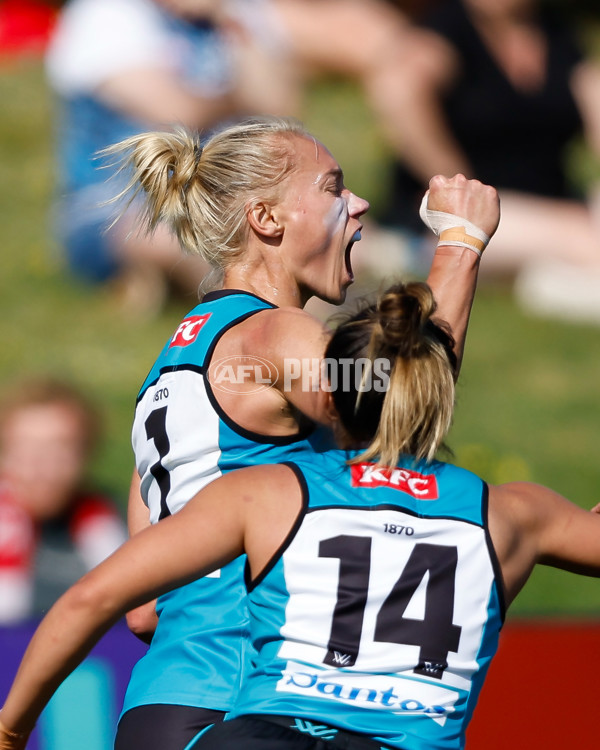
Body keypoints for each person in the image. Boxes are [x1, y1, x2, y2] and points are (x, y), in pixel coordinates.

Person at [2, 280, 600, 750]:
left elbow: (92, 600)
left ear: (332, 396)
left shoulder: (270, 493)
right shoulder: (511, 514)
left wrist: (9, 732)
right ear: (444, 395)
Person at [97, 115, 499, 750]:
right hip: (245, 706)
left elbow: (143, 608)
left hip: (156, 708)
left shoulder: (169, 372)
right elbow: (402, 401)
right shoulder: (273, 335)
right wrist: (460, 243)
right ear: (268, 220)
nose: (359, 202)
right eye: (334, 188)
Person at [44, 0, 294, 310]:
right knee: (187, 237)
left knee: (298, 225)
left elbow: (283, 112)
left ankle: (152, 283)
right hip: (114, 209)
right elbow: (179, 114)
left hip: (221, 197)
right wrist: (243, 100)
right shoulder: (106, 15)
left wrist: (231, 23)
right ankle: (270, 322)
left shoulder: (235, 14)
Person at [375, 0, 600, 323]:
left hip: (550, 202)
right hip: (471, 214)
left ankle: (553, 283)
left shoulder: (556, 34)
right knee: (583, 236)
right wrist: (459, 187)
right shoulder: (448, 33)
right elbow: (398, 90)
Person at [0, 377, 126, 624]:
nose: (41, 467)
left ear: (86, 454)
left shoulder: (117, 524)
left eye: (58, 450)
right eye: (26, 450)